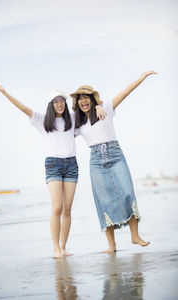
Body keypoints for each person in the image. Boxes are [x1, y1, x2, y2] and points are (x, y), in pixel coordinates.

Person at [0, 81, 104, 258]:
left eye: (62, 100)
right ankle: (55, 248)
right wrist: (4, 92)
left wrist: (98, 106)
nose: (60, 103)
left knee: (67, 208)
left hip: (71, 165)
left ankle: (63, 247)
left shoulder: (73, 118)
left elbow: (87, 109)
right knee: (57, 207)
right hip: (53, 164)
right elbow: (22, 107)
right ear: (51, 104)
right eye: (56, 101)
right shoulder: (41, 119)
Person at [70, 71, 157, 253]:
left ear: (93, 99)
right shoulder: (76, 122)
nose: (83, 101)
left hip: (116, 155)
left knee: (127, 192)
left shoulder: (107, 109)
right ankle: (112, 245)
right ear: (77, 102)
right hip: (95, 161)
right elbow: (60, 128)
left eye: (87, 98)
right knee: (103, 201)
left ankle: (135, 236)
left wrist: (142, 77)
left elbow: (125, 92)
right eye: (80, 99)